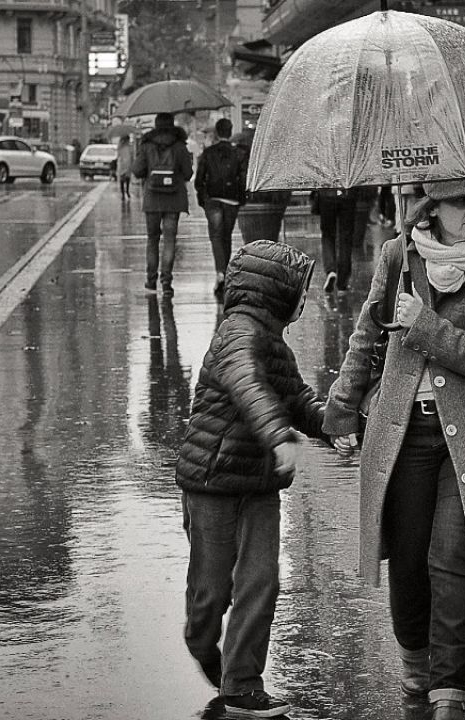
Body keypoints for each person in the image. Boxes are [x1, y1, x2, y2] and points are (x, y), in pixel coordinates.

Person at [322, 177, 465, 720]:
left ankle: (449, 693)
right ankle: (416, 662)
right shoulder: (398, 257)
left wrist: (426, 324)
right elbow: (367, 336)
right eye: (464, 204)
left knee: (452, 560)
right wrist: (341, 407)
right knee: (409, 561)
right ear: (432, 209)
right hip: (403, 435)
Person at [175, 239, 328, 719]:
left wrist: (341, 425)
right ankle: (202, 642)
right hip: (213, 482)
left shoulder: (275, 344)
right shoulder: (237, 335)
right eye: (300, 290)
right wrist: (279, 436)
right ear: (275, 291)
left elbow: (297, 398)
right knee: (211, 594)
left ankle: (241, 684)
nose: (304, 300)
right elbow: (249, 386)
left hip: (260, 487)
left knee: (261, 582)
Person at [132, 112, 193, 298]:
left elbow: (137, 171)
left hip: (152, 199)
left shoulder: (147, 145)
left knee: (152, 239)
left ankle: (151, 281)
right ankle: (166, 282)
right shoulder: (180, 146)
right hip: (173, 199)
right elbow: (189, 173)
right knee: (169, 240)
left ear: (156, 125)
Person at [195, 118, 248, 297]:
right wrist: (241, 198)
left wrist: (202, 198)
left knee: (216, 237)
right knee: (226, 236)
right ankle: (225, 272)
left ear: (217, 133)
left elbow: (199, 179)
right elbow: (243, 179)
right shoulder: (238, 153)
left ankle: (221, 272)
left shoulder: (208, 153)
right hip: (231, 201)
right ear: (230, 131)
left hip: (213, 200)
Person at [312, 187, 358, 293]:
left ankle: (331, 270)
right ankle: (343, 281)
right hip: (348, 194)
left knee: (328, 235)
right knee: (346, 237)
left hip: (326, 194)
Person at [115, 134, 135, 200]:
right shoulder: (128, 147)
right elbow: (132, 156)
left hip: (123, 164)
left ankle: (124, 193)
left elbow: (118, 156)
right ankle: (126, 192)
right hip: (126, 164)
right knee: (126, 179)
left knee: (123, 179)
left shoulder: (121, 147)